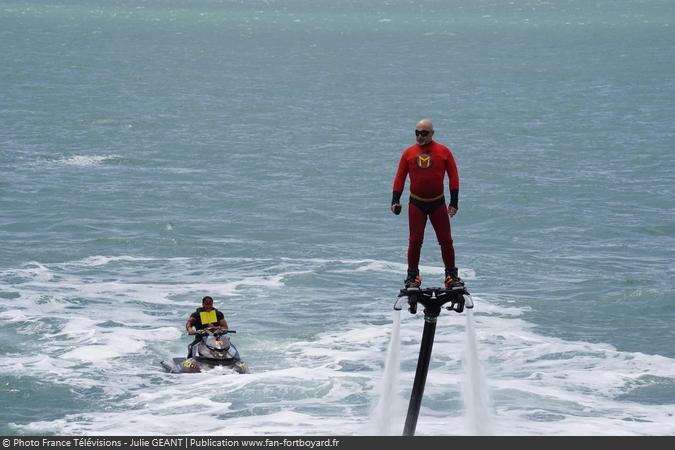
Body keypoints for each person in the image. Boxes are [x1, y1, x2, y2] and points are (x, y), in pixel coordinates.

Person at [391, 119, 462, 289]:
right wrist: (395, 200)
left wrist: (454, 202)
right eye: (417, 132)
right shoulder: (408, 153)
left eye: (424, 133)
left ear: (432, 134)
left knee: (446, 241)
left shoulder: (443, 151)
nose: (420, 136)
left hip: (438, 203)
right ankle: (412, 276)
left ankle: (451, 276)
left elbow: (454, 177)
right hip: (417, 203)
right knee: (415, 241)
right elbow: (400, 177)